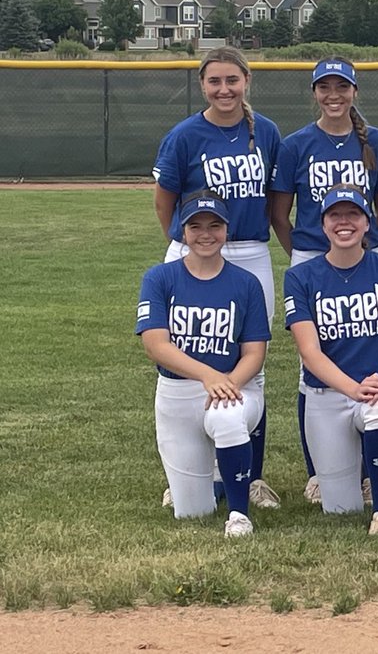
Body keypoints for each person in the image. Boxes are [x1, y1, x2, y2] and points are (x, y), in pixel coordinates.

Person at [152, 46, 281, 509]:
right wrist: (183, 243)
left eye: (232, 80)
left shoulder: (264, 131)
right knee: (189, 355)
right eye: (214, 82)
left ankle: (250, 476)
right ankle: (190, 473)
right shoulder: (185, 135)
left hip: (248, 250)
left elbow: (272, 196)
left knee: (253, 367)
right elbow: (166, 199)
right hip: (194, 246)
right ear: (202, 86)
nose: (224, 89)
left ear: (246, 81)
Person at [270, 57, 378, 505]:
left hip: (365, 251)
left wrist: (368, 242)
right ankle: (318, 471)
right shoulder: (297, 143)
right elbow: (279, 213)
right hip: (311, 253)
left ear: (355, 92)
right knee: (313, 370)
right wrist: (303, 258)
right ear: (315, 93)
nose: (334, 95)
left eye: (342, 87)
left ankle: (364, 469)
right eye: (325, 87)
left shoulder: (375, 141)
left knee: (368, 349)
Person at [282, 186, 378, 535]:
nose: (344, 223)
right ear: (323, 224)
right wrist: (352, 387)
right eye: (335, 216)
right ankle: (353, 481)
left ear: (367, 223)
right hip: (328, 394)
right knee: (339, 508)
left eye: (353, 215)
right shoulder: (300, 276)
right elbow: (309, 353)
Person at [136, 191, 270, 537]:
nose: (205, 233)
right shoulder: (160, 278)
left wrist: (229, 383)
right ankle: (219, 481)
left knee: (226, 416)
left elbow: (255, 352)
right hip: (178, 394)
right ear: (182, 231)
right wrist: (208, 375)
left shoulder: (245, 282)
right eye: (195, 225)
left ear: (227, 229)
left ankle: (239, 514)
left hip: (235, 387)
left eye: (215, 225)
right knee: (191, 513)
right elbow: (155, 345)